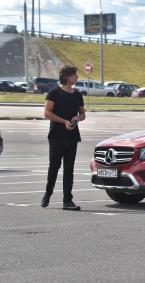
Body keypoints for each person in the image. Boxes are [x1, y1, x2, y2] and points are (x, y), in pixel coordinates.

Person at [41, 65, 86, 210]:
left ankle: (67, 200)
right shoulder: (54, 93)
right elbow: (47, 113)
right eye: (74, 75)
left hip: (72, 136)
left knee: (69, 168)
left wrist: (77, 118)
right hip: (56, 135)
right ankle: (48, 194)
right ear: (67, 77)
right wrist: (64, 121)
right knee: (54, 166)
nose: (77, 77)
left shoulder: (77, 94)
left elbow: (83, 114)